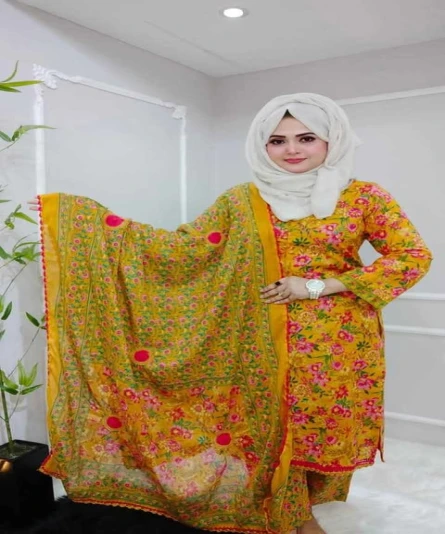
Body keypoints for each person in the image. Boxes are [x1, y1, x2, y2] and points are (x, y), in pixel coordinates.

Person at [29, 93, 432, 534]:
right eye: (277, 140)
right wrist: (82, 220)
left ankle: (301, 507)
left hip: (335, 341)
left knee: (315, 428)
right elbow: (182, 248)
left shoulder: (363, 197)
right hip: (255, 335)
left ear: (331, 140)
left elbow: (412, 257)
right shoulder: (243, 199)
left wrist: (317, 285)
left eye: (306, 138)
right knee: (268, 428)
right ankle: (292, 513)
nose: (291, 149)